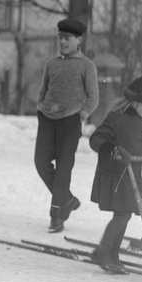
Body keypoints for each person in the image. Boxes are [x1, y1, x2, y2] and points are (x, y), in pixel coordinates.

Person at [87, 70, 142, 274]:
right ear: (135, 101)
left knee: (125, 214)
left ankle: (111, 255)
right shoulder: (117, 117)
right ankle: (103, 252)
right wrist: (114, 151)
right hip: (116, 174)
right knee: (122, 215)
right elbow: (96, 140)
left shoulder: (140, 120)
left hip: (130, 175)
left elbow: (137, 139)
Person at [34, 18, 99, 233]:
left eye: (68, 39)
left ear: (79, 40)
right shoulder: (52, 64)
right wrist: (41, 108)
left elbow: (93, 97)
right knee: (41, 162)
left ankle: (56, 216)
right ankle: (67, 200)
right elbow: (43, 90)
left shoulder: (86, 66)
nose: (63, 42)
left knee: (63, 170)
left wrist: (81, 115)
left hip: (70, 122)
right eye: (60, 38)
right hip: (47, 119)